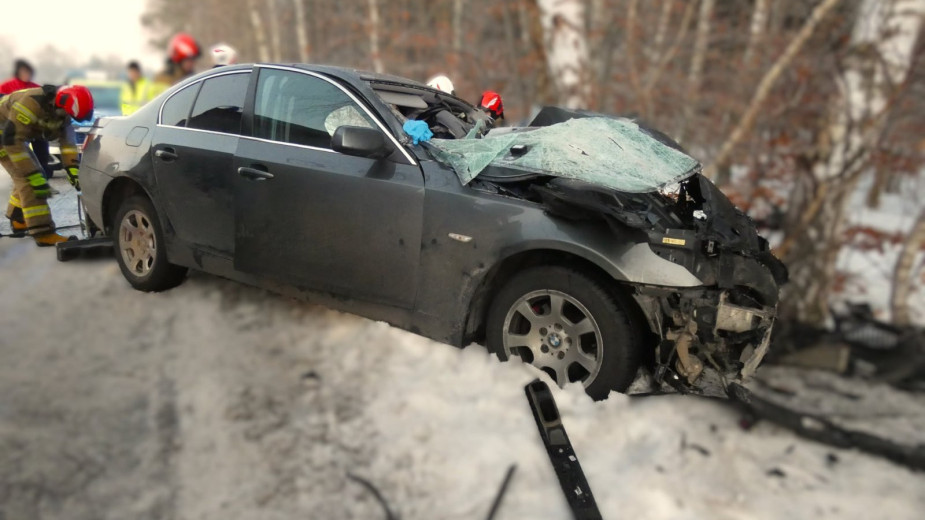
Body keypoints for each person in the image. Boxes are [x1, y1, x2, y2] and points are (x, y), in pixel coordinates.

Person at [0, 85, 93, 246]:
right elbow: (12, 140)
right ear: (58, 104)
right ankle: (43, 232)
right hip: (7, 137)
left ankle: (18, 217)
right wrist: (32, 173)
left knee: (33, 176)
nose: (67, 118)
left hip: (13, 135)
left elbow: (67, 142)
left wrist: (72, 168)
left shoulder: (62, 110)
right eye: (66, 114)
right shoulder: (30, 103)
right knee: (30, 179)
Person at [0, 60, 54, 179]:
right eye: (23, 72)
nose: (26, 75)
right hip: (14, 124)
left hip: (34, 124)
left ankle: (44, 172)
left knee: (42, 147)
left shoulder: (36, 87)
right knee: (20, 149)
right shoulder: (6, 86)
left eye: (28, 72)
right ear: (17, 72)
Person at [149, 33, 201, 98]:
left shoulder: (193, 77)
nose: (192, 63)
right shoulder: (163, 78)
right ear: (179, 60)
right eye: (188, 60)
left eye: (193, 59)